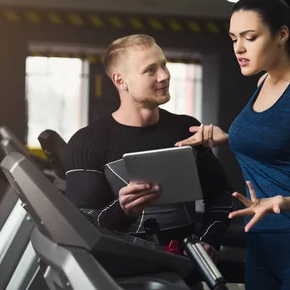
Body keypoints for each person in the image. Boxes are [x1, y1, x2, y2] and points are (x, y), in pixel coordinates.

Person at [176, 0, 290, 289]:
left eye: (250, 37)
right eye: (234, 39)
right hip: (260, 248)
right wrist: (228, 137)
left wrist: (280, 202)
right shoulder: (263, 81)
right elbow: (281, 142)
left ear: (282, 34)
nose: (239, 48)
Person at [64, 34, 234, 264]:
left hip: (184, 269)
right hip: (123, 273)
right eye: (150, 70)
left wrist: (209, 240)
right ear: (120, 80)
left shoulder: (187, 129)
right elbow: (80, 226)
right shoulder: (87, 142)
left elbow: (220, 193)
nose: (164, 76)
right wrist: (121, 210)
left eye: (163, 64)